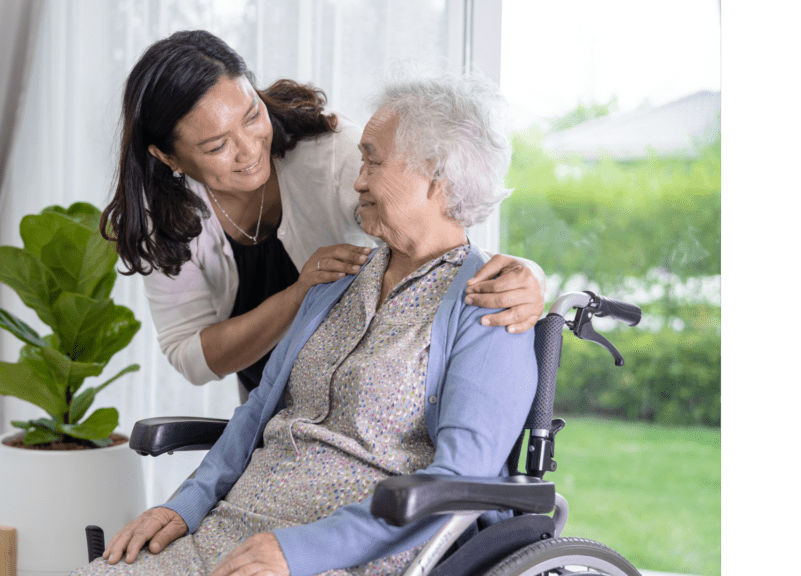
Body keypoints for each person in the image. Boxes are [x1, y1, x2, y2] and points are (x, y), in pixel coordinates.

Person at [70, 70, 538, 576]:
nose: (357, 178)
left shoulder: (490, 304)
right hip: (235, 529)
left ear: (437, 177)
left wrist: (301, 552)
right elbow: (254, 416)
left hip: (352, 552)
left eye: (373, 161)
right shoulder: (337, 279)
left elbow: (459, 478)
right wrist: (182, 505)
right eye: (361, 159)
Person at [99, 30, 545, 400]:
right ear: (168, 157)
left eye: (252, 115)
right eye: (217, 146)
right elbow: (192, 356)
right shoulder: (162, 218)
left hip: (361, 400)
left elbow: (442, 230)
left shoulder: (336, 156)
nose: (250, 148)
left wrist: (526, 276)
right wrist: (300, 295)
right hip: (277, 414)